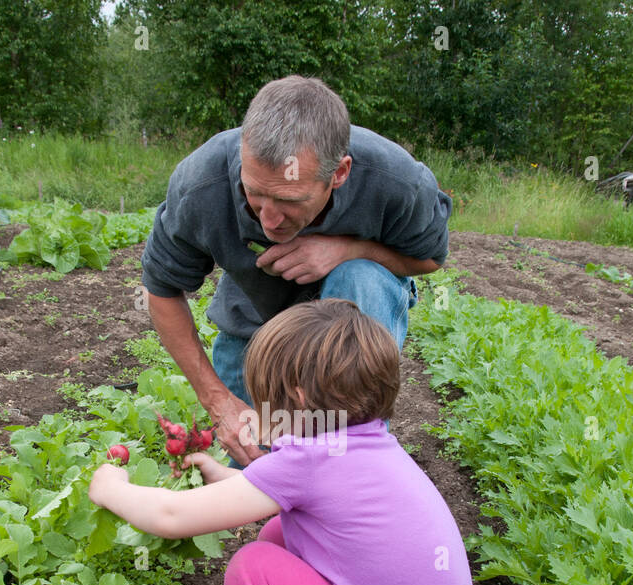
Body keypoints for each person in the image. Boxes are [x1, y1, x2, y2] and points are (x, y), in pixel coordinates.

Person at [87, 299, 482, 585]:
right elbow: (295, 501)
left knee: (255, 570)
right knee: (279, 534)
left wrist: (110, 489)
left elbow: (170, 515)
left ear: (294, 395)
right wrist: (224, 479)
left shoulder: (309, 462)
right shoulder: (368, 444)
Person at [140, 75, 452, 466]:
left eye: (289, 200)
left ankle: (353, 444)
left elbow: (430, 258)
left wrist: (347, 249)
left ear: (339, 173)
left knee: (360, 276)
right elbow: (161, 288)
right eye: (253, 192)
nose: (269, 220)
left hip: (354, 312)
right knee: (255, 462)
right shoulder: (201, 184)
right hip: (257, 321)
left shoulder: (395, 181)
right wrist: (219, 402)